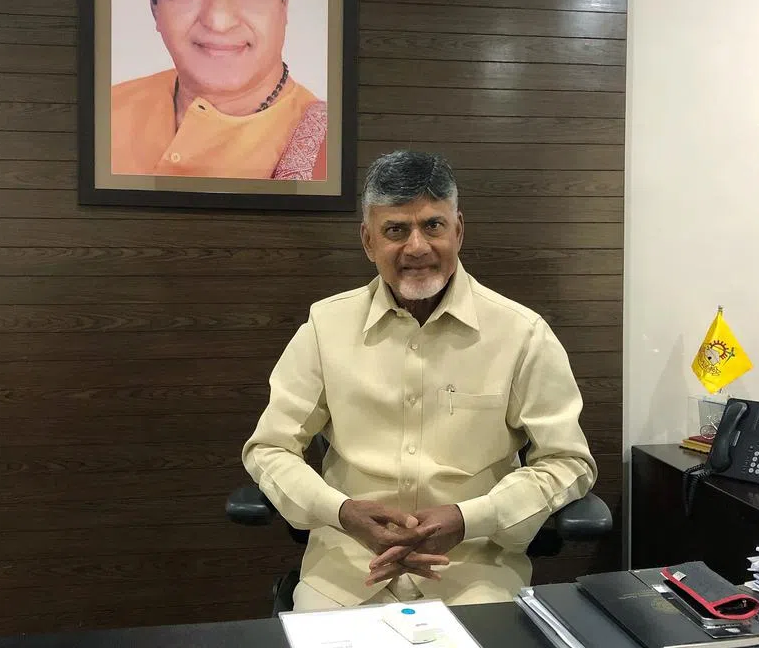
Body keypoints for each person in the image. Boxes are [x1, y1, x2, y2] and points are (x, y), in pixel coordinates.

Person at [242, 150, 598, 611]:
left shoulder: (521, 334)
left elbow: (569, 461)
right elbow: (268, 449)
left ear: (458, 230)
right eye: (395, 230)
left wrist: (471, 518)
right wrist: (342, 512)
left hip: (474, 575)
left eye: (433, 225)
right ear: (368, 241)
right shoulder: (324, 328)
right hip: (345, 574)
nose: (416, 247)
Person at [111, 0, 326, 181]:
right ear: (153, 1)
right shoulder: (106, 112)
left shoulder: (326, 150)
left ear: (284, 1)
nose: (219, 21)